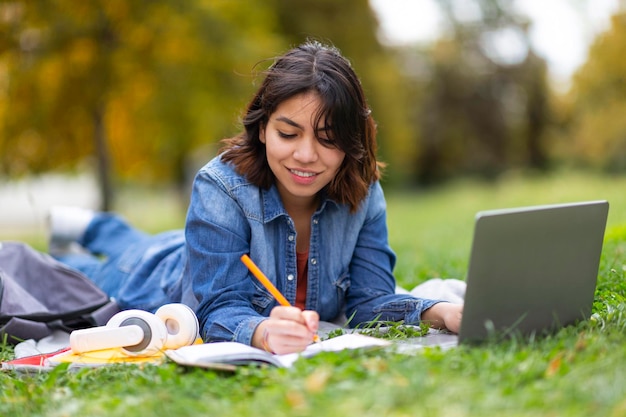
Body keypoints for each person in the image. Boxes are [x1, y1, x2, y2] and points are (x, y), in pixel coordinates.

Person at [50, 41, 463, 355]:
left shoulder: (363, 191)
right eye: (288, 134)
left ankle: (94, 226)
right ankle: (87, 230)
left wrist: (440, 312)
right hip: (158, 274)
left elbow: (369, 301)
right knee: (84, 273)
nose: (305, 155)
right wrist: (264, 332)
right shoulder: (219, 186)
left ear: (350, 143)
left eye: (328, 139)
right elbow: (217, 309)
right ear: (262, 128)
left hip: (193, 246)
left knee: (141, 240)